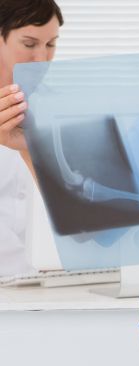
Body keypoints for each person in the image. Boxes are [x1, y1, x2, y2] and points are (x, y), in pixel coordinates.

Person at [0, 0, 62, 276]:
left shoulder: (57, 109)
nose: (42, 59)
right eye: (29, 44)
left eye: (50, 45)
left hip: (34, 285)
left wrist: (31, 150)